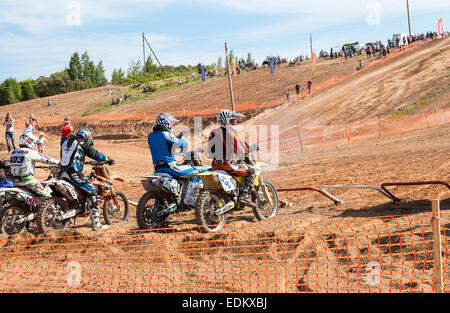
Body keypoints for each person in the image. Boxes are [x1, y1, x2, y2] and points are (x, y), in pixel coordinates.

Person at [60, 128, 114, 231]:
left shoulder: (67, 141)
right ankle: (97, 224)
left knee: (81, 190)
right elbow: (95, 154)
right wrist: (108, 159)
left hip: (62, 172)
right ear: (87, 136)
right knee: (92, 192)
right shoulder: (81, 143)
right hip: (73, 173)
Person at [148, 113, 200, 219]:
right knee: (197, 172)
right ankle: (188, 199)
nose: (171, 127)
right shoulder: (165, 134)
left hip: (157, 168)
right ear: (167, 123)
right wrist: (182, 138)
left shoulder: (151, 136)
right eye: (171, 125)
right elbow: (181, 144)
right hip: (170, 167)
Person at [204, 110, 257, 208]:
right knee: (251, 171)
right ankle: (244, 195)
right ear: (225, 121)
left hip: (215, 165)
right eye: (232, 121)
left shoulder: (213, 132)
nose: (234, 123)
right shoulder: (230, 134)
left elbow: (207, 153)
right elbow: (242, 148)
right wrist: (252, 148)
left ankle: (231, 195)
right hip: (227, 164)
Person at [10, 133, 59, 201]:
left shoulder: (13, 152)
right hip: (27, 180)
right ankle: (40, 210)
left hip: (15, 181)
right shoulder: (30, 152)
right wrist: (58, 162)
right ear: (30, 141)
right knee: (47, 196)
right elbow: (44, 158)